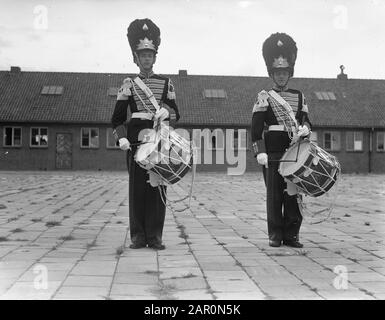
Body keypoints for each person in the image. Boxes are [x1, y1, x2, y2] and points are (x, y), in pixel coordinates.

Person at [111, 18, 180, 250]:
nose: (147, 59)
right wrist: (120, 136)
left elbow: (176, 113)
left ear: (154, 57)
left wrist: (166, 110)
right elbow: (117, 118)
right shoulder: (129, 85)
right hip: (135, 142)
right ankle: (138, 236)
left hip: (159, 142)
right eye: (143, 56)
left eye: (150, 55)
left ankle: (155, 235)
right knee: (137, 189)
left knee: (158, 187)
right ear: (136, 58)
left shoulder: (166, 83)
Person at [251, 33, 312, 248]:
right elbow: (256, 127)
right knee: (275, 195)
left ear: (290, 72)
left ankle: (292, 234)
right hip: (274, 153)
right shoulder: (264, 97)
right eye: (277, 72)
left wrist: (306, 129)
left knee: (294, 194)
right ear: (271, 73)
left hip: (295, 152)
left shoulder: (300, 96)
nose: (281, 76)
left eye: (284, 72)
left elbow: (306, 122)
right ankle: (275, 234)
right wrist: (260, 151)